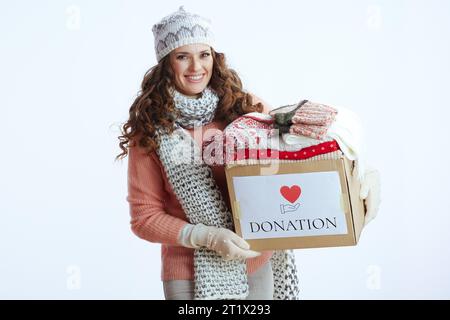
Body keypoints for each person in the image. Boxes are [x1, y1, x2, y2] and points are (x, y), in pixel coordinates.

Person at [116, 6, 380, 300]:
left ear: (215, 58)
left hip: (258, 262)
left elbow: (299, 155)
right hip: (191, 274)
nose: (196, 67)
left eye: (204, 54)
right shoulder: (151, 131)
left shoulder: (245, 109)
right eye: (182, 56)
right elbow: (145, 218)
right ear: (166, 63)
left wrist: (362, 173)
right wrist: (206, 237)